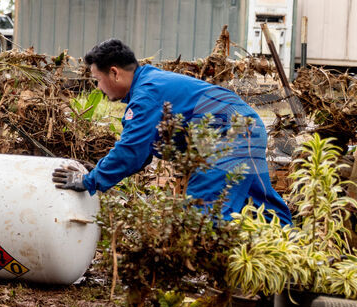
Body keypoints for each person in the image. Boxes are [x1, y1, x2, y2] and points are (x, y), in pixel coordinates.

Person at [52, 39, 291, 224]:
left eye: (97, 79)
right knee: (260, 204)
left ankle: (220, 277)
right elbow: (142, 154)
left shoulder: (147, 95)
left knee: (204, 211)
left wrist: (88, 181)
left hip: (229, 132)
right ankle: (291, 260)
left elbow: (131, 152)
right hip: (248, 125)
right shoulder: (150, 83)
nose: (98, 87)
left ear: (114, 73)